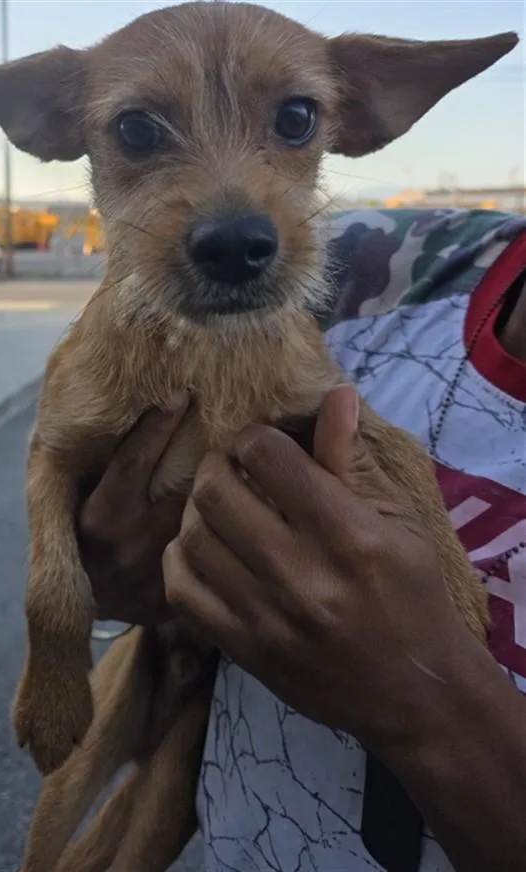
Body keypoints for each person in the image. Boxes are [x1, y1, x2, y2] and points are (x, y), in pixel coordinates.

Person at [77, 207, 526, 872]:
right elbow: (116, 449)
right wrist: (111, 580)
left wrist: (427, 700)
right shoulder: (354, 256)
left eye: (289, 141)